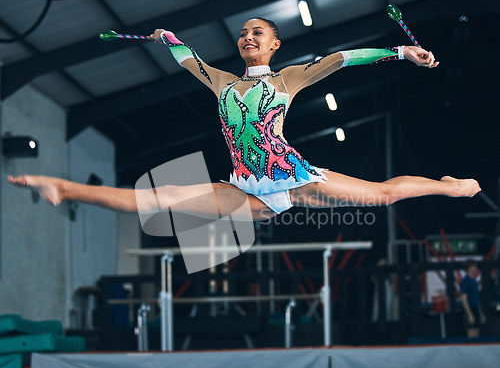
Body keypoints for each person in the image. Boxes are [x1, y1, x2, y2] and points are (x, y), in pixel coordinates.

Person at [8, 18, 481, 222]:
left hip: (292, 179)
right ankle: (63, 188)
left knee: (381, 195)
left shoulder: (290, 78)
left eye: (258, 32)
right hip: (246, 184)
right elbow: (187, 60)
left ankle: (450, 185)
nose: (248, 36)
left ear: (275, 44)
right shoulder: (223, 83)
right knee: (163, 198)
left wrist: (400, 51)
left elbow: (342, 59)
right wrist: (168, 38)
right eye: (242, 33)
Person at [460, 260, 486, 338]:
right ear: (469, 268)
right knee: (471, 334)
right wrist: (469, 314)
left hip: (476, 308)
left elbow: (477, 298)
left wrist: (481, 313)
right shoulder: (465, 281)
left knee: (477, 333)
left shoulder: (474, 281)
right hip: (470, 308)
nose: (476, 268)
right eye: (474, 267)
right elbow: (464, 299)